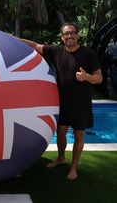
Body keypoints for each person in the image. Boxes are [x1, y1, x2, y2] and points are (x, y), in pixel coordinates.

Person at [20, 22, 103, 180]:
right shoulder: (56, 51)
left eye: (72, 33)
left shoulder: (88, 54)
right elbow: (36, 46)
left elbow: (99, 78)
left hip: (81, 104)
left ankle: (73, 167)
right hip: (63, 102)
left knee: (79, 135)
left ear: (77, 35)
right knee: (61, 133)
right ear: (62, 37)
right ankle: (60, 158)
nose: (69, 36)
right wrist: (11, 39)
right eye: (66, 34)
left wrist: (87, 77)